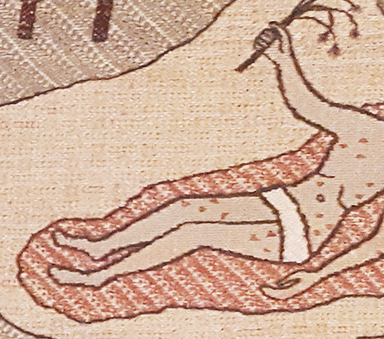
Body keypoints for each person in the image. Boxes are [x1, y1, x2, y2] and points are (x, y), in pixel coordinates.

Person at [50, 22, 384, 298]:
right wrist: (283, 60)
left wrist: (314, 276)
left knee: (194, 234)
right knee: (183, 207)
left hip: (308, 228)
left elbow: (376, 245)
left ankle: (98, 278)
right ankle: (102, 247)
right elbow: (309, 105)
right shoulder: (366, 127)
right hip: (288, 199)